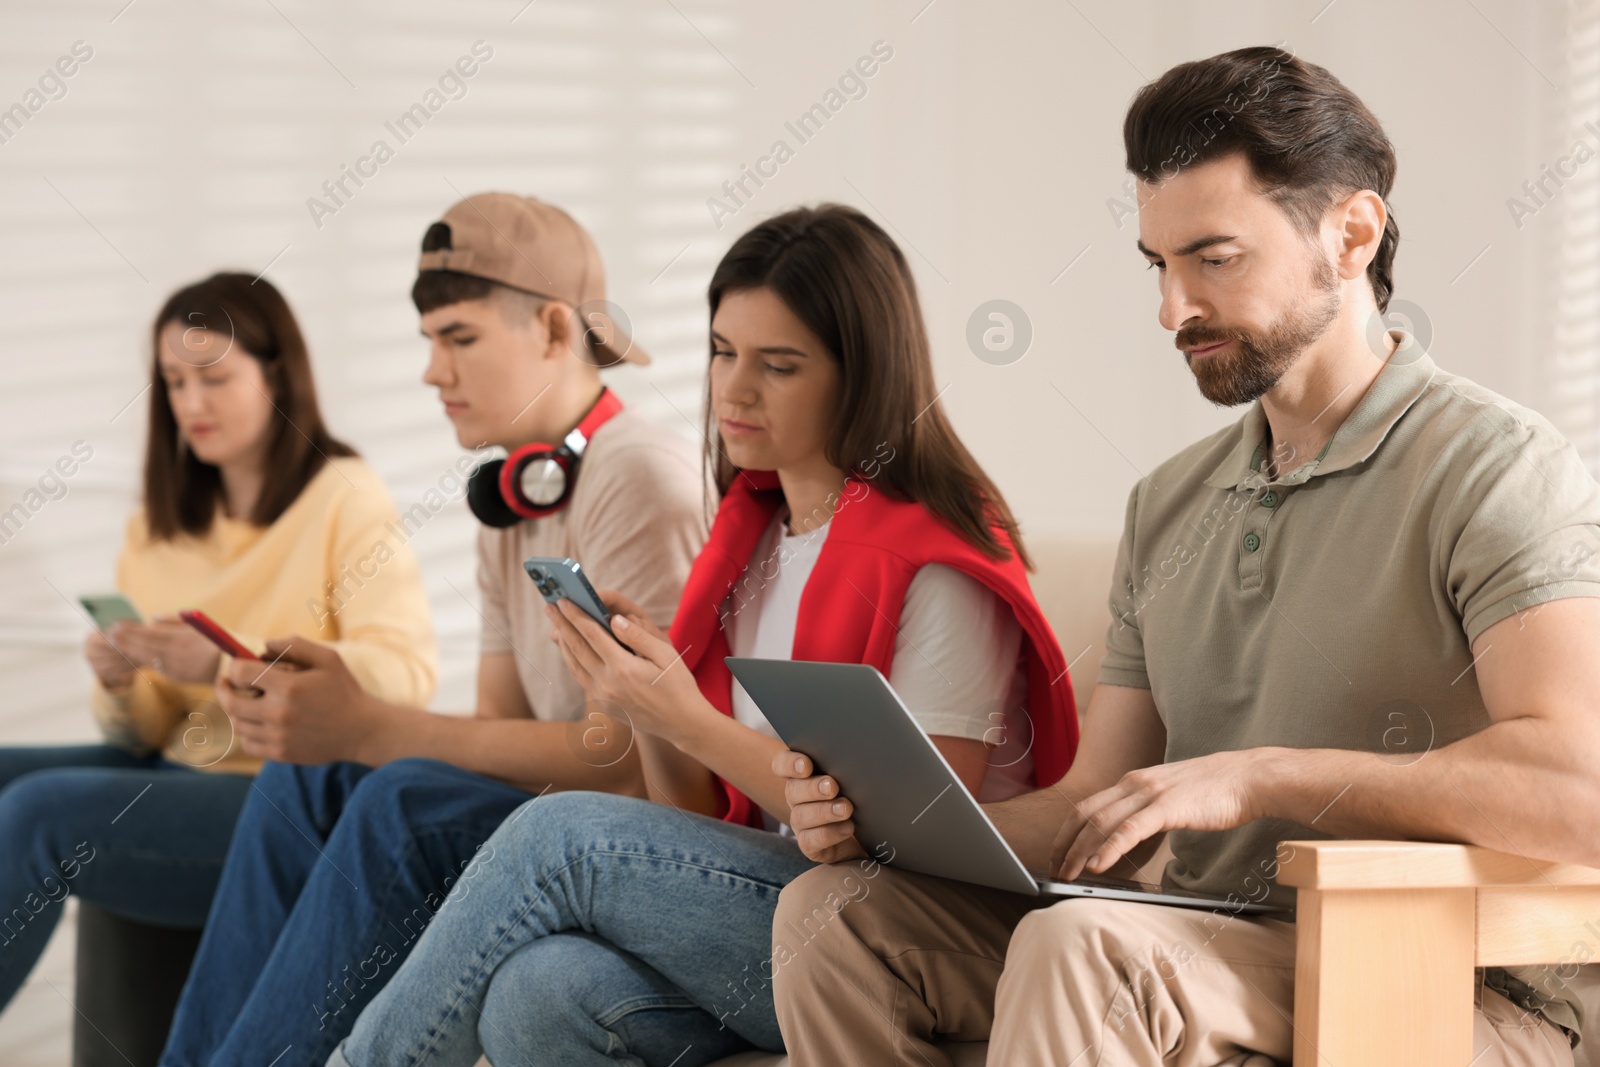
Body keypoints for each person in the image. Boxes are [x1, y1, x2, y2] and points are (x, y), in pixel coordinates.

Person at [769, 46, 1600, 1067]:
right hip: (1199, 944)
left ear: (1350, 232)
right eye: (1158, 266)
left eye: (1213, 257)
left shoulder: (1496, 467)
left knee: (1087, 949)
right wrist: (892, 824)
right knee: (837, 916)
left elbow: (1580, 786)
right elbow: (1094, 805)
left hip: (1443, 977)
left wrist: (1259, 777)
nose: (1172, 309)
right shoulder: (1167, 503)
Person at [320, 202, 1082, 1067]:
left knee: (556, 836)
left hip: (896, 923)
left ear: (862, 375)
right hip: (773, 897)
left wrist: (683, 715)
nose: (734, 389)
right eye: (723, 351)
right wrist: (640, 700)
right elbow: (693, 815)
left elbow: (918, 832)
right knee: (542, 988)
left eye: (780, 365)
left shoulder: (940, 562)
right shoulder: (751, 540)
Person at [158, 194, 711, 1067]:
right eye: (429, 342)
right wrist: (338, 718)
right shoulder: (513, 494)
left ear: (556, 330)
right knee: (309, 778)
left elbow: (631, 762)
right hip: (548, 819)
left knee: (404, 801)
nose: (432, 371)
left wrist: (377, 725)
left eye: (458, 338)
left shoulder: (637, 477)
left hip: (625, 839)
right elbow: (501, 727)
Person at [0, 272, 436, 1009]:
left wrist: (228, 661)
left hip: (283, 796)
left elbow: (403, 675)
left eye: (213, 377)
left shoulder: (343, 494)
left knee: (39, 812)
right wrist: (120, 681)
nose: (191, 404)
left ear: (276, 374)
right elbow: (150, 730)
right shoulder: (160, 523)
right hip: (180, 762)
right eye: (173, 382)